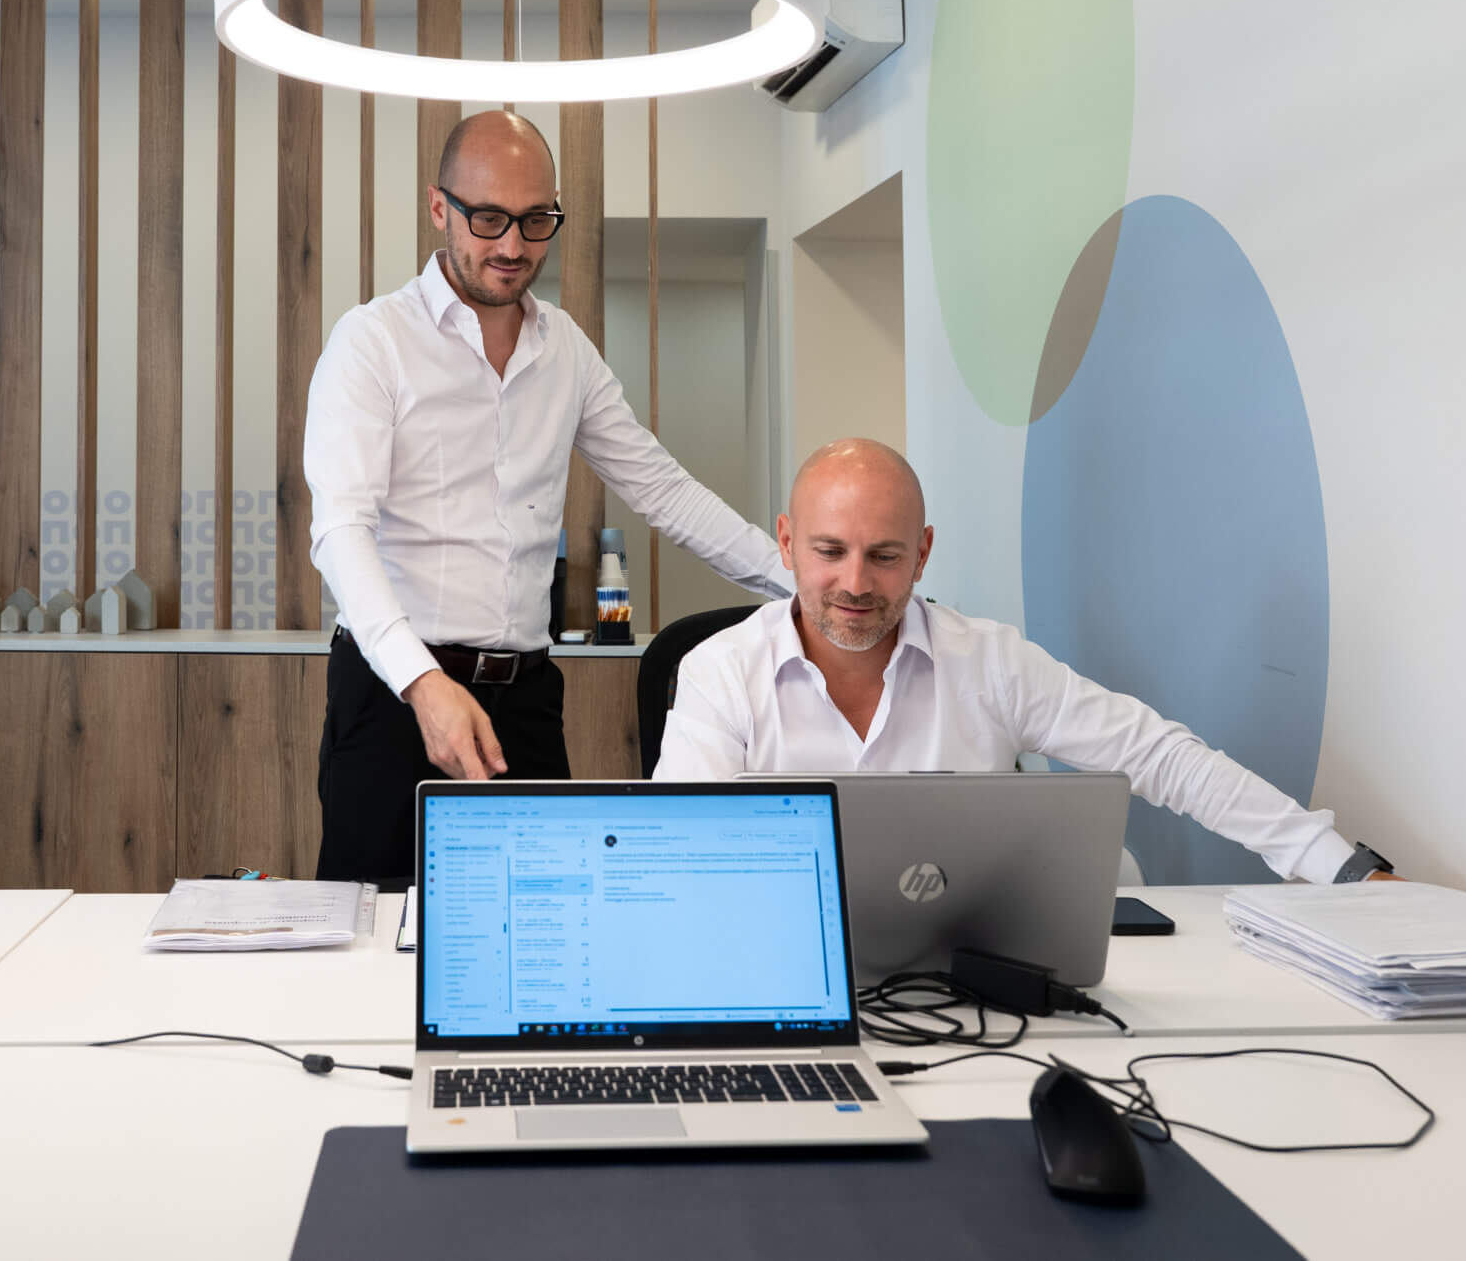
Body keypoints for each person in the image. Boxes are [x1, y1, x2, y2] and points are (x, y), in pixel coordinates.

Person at [304, 110, 793, 882]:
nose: (512, 245)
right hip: (394, 695)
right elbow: (339, 529)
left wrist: (807, 582)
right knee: (379, 938)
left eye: (537, 220)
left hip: (524, 700)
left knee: (540, 932)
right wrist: (422, 682)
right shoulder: (373, 342)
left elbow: (662, 489)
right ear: (440, 209)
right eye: (489, 217)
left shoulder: (564, 348)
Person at [655, 438, 1399, 884]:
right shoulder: (720, 671)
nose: (854, 583)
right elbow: (678, 857)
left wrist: (1338, 863)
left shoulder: (988, 662)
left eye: (883, 556)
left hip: (968, 990)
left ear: (922, 553)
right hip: (786, 984)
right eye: (828, 552)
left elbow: (1160, 756)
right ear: (785, 544)